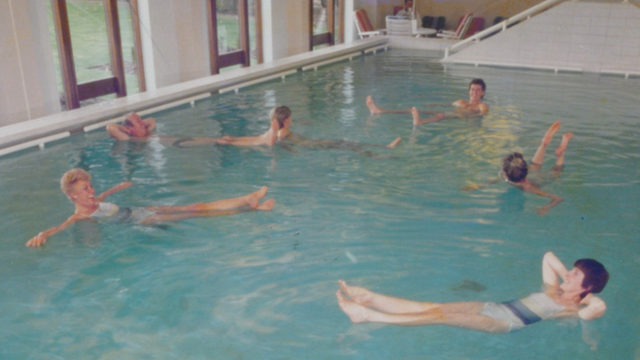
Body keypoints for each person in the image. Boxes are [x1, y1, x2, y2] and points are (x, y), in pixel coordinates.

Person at [336, 251, 608, 333]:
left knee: (440, 317)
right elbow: (548, 256)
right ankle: (371, 298)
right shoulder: (553, 289)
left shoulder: (574, 309)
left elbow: (595, 311)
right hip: (491, 305)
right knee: (433, 307)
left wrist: (586, 296)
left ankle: (368, 316)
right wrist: (571, 281)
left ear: (588, 288)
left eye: (575, 275)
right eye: (570, 271)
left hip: (504, 321)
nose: (568, 275)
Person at [25, 169, 275, 247]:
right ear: (72, 195)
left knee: (195, 206)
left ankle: (248, 198)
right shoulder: (79, 215)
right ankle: (251, 209)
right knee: (194, 214)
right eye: (85, 190)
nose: (91, 191)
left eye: (89, 186)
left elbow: (104, 195)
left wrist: (118, 187)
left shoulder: (94, 200)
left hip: (140, 208)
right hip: (139, 221)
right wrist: (43, 234)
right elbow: (60, 227)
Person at [464, 121, 572, 215]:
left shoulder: (528, 188)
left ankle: (560, 154)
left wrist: (545, 208)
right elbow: (557, 198)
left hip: (538, 179)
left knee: (556, 172)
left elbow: (558, 198)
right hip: (530, 174)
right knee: (534, 166)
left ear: (506, 174)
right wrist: (479, 185)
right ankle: (543, 144)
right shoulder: (514, 175)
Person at [219, 106, 402, 156]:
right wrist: (294, 151)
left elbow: (255, 138)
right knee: (347, 144)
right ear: (286, 120)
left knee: (346, 144)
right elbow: (279, 145)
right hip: (314, 146)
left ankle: (383, 148)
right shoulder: (280, 134)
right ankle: (383, 150)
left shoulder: (271, 131)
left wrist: (234, 139)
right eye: (291, 118)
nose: (292, 120)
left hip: (312, 145)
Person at [366, 79, 489, 126]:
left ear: (482, 93)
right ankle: (380, 111)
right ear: (469, 90)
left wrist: (471, 117)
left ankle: (420, 122)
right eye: (472, 89)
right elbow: (446, 106)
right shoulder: (461, 101)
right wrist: (432, 106)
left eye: (478, 90)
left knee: (440, 115)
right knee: (416, 110)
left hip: (460, 117)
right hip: (451, 112)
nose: (474, 92)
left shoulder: (482, 105)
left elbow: (482, 115)